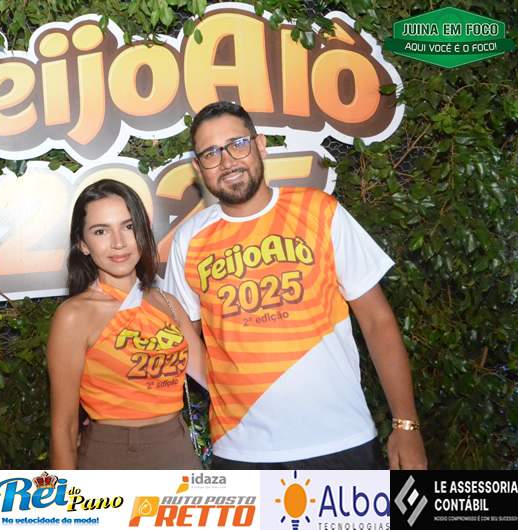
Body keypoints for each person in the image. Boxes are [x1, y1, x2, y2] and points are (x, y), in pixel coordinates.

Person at [164, 101, 427, 470]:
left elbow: (377, 321)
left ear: (260, 145)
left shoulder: (320, 211)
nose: (227, 161)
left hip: (341, 439)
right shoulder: (188, 240)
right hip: (241, 451)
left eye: (237, 144)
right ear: (198, 167)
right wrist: (225, 384)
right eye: (211, 153)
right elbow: (181, 333)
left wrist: (406, 424)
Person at [47, 179, 207, 469]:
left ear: (142, 232)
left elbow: (215, 378)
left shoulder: (168, 303)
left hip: (177, 448)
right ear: (83, 244)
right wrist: (62, 496)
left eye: (128, 226)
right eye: (101, 231)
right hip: (111, 455)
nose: (118, 242)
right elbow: (64, 427)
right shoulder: (74, 316)